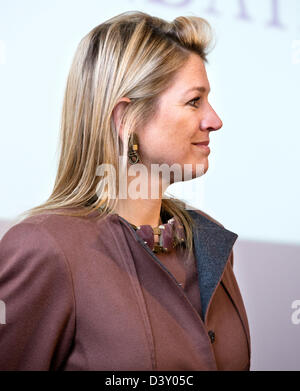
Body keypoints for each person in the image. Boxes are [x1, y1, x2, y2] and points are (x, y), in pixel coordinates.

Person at [0, 10, 251, 370]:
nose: (214, 120)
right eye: (194, 100)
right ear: (126, 119)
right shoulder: (44, 248)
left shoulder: (208, 241)